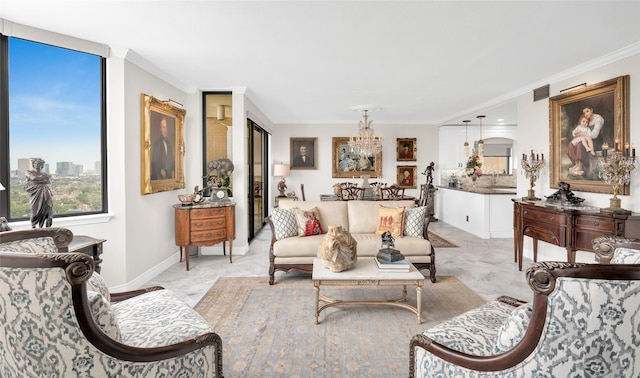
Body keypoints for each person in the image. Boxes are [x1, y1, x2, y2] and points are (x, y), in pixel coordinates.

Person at [567, 105, 604, 176]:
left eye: (587, 111)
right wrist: (578, 134)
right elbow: (576, 132)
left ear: (592, 110)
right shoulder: (586, 120)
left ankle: (580, 166)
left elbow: (594, 135)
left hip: (595, 141)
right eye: (584, 113)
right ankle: (576, 164)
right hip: (585, 139)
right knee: (571, 145)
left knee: (580, 143)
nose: (586, 114)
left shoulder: (598, 119)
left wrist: (582, 134)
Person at [24, 158, 53, 228]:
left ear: (42, 165)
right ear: (33, 164)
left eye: (39, 163)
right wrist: (43, 178)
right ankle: (33, 228)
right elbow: (33, 178)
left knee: (48, 211)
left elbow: (48, 182)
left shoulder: (44, 173)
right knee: (35, 212)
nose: (37, 165)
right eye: (35, 163)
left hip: (45, 192)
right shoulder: (29, 172)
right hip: (35, 193)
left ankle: (47, 230)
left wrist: (38, 180)